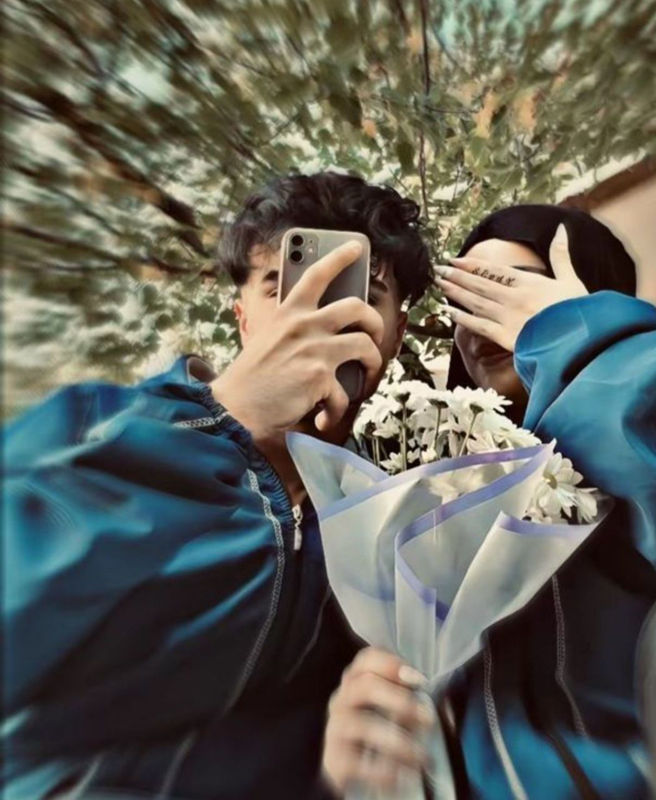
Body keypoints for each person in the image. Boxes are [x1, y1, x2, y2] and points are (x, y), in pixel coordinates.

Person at [322, 205, 656, 798]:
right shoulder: (430, 477)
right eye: (465, 302)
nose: (482, 317)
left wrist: (578, 337)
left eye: (509, 285)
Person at [1, 172, 436, 799]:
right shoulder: (92, 424)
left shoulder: (384, 508)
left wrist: (333, 771)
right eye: (283, 288)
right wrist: (231, 419)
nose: (318, 315)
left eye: (360, 294)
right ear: (242, 319)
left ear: (396, 333)